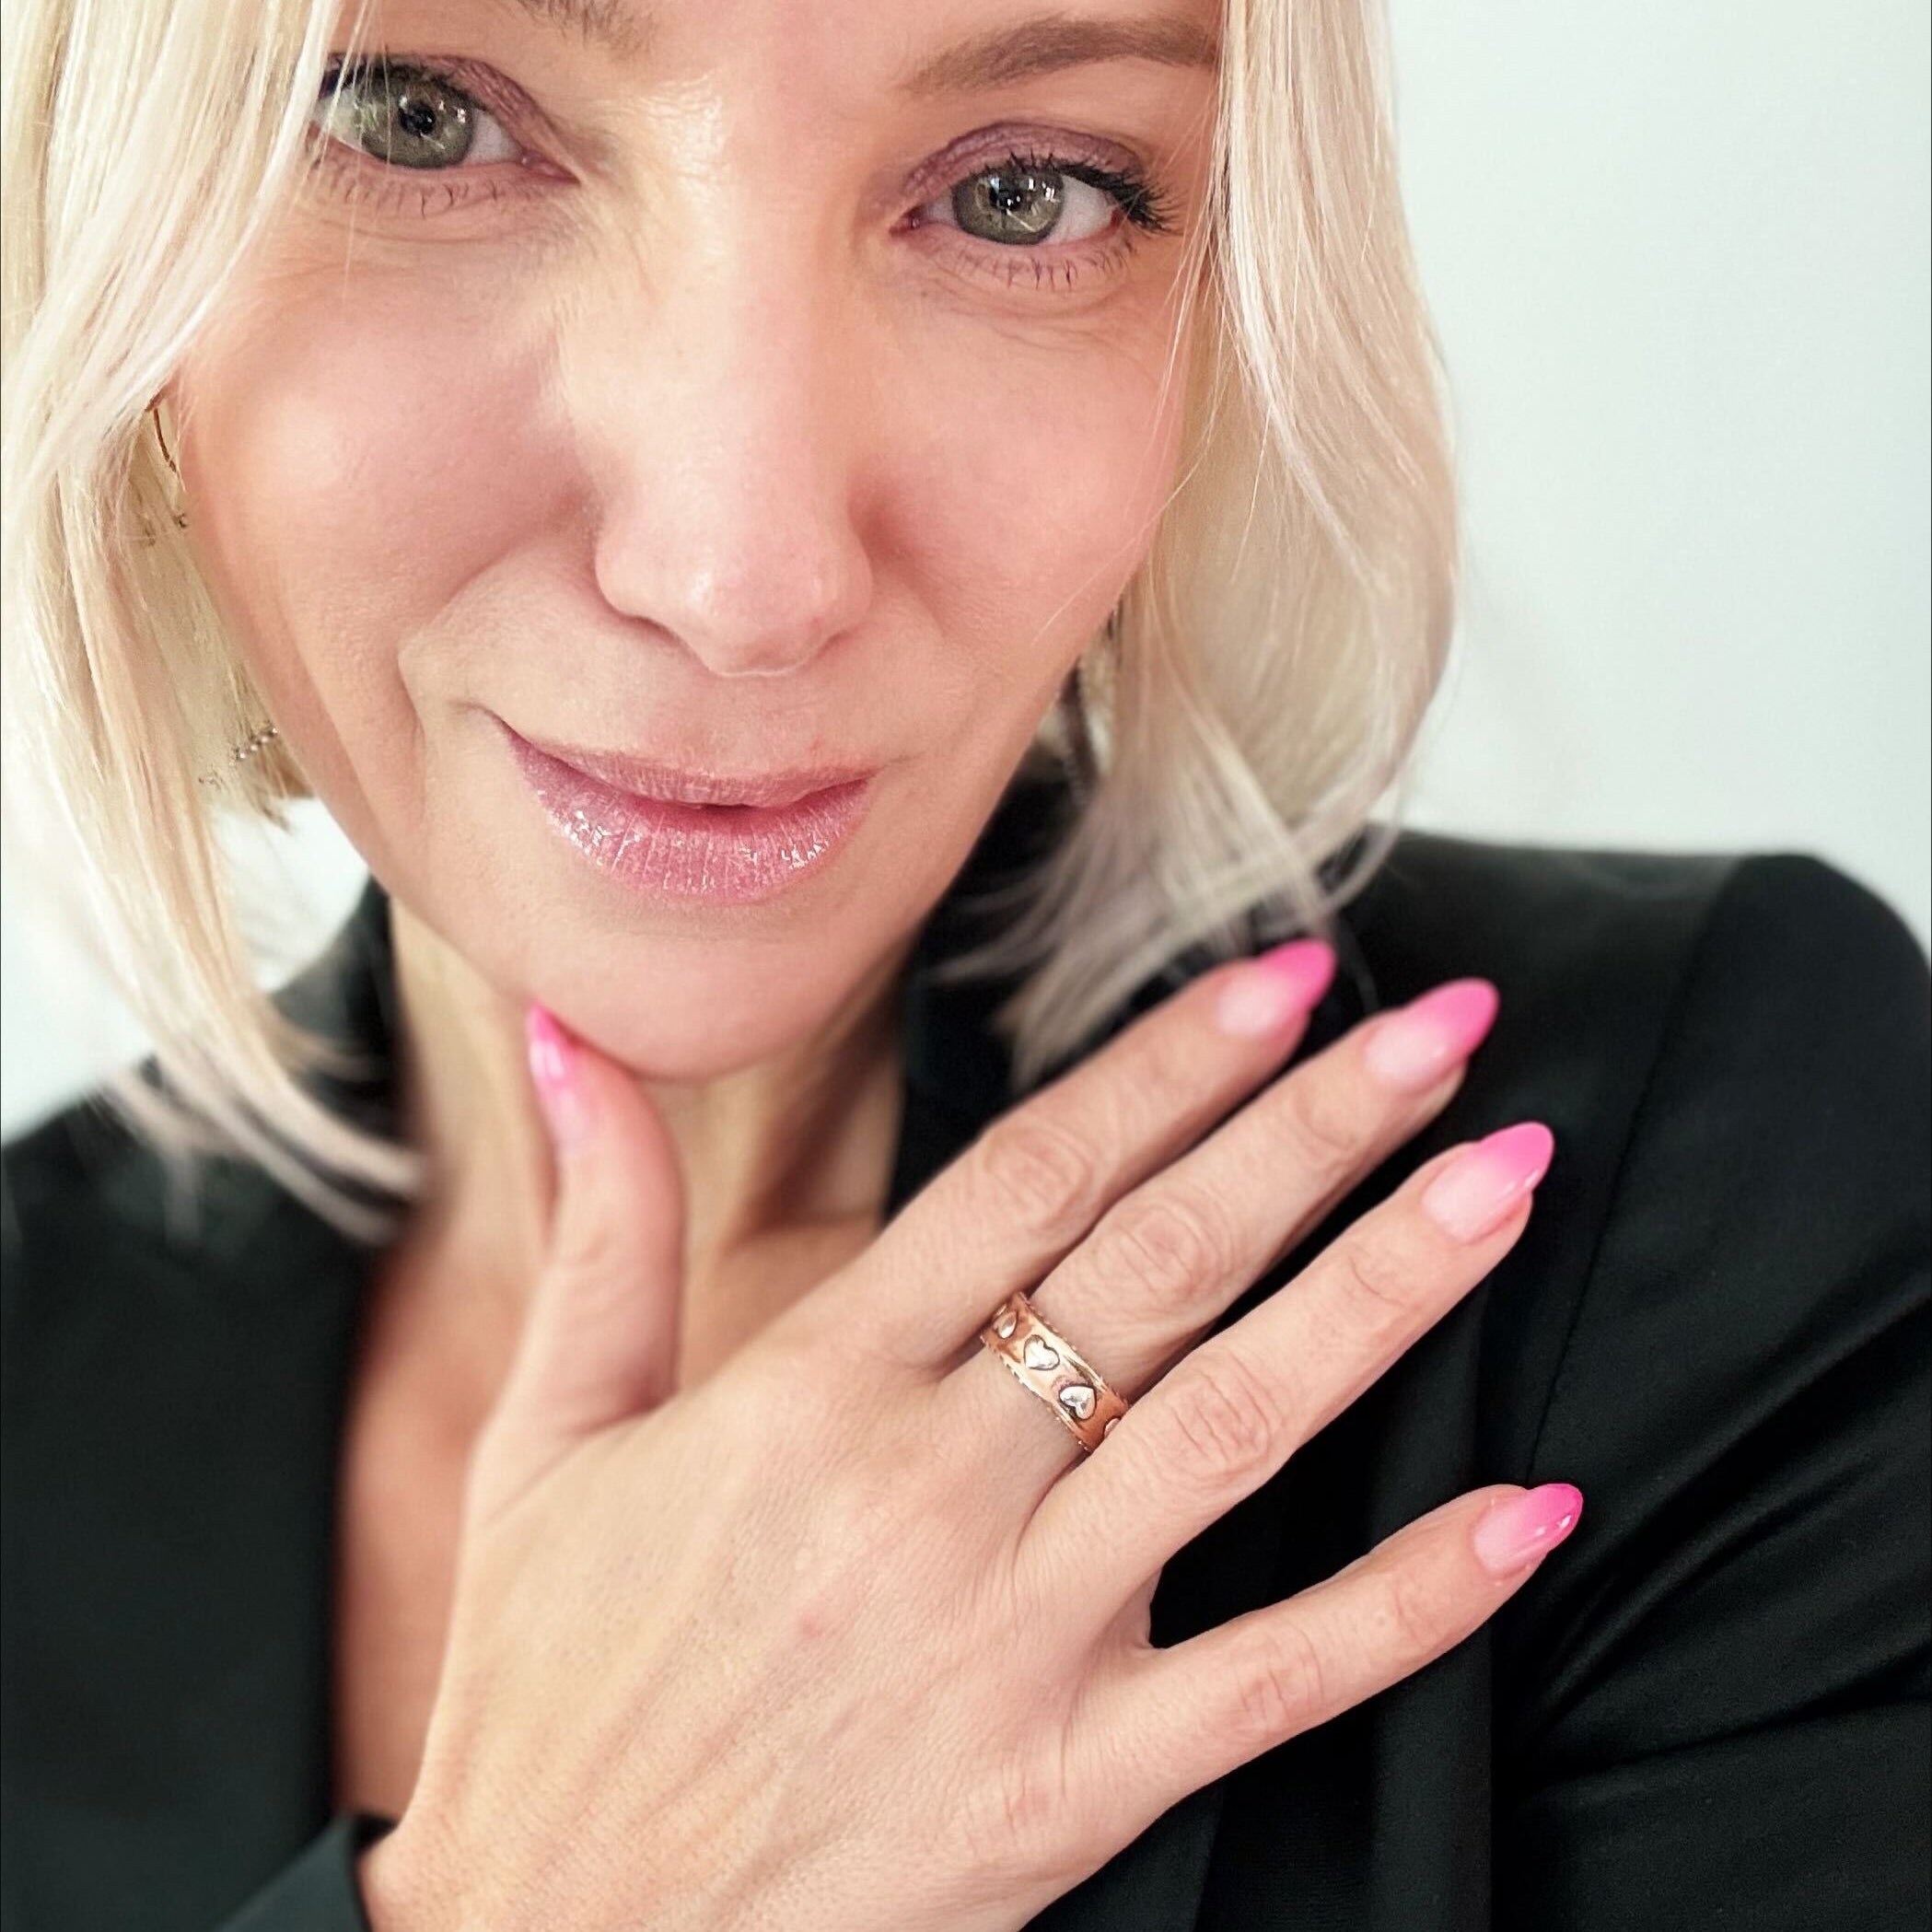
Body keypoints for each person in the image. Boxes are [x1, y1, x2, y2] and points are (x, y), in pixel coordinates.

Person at [1, 2, 1925, 1927]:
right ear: (122, 239)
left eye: (1020, 194)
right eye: (425, 125)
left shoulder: (1704, 1170)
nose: (742, 574)